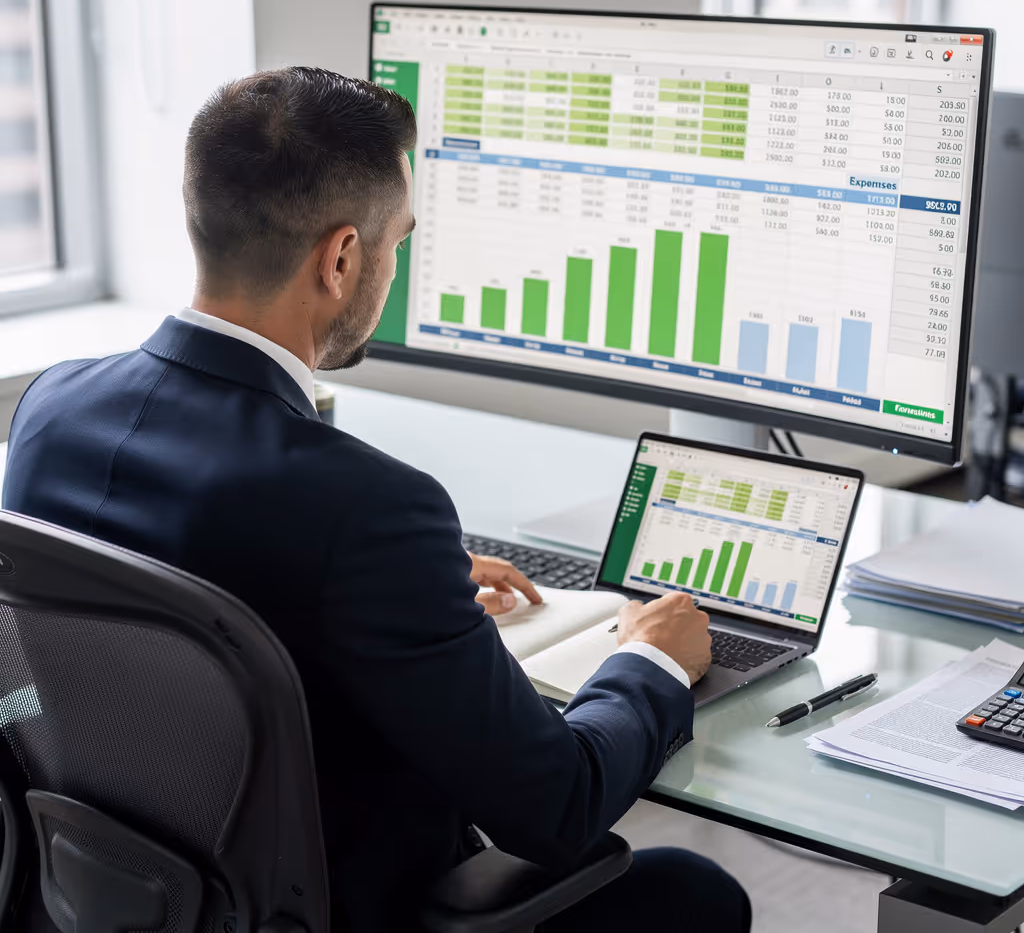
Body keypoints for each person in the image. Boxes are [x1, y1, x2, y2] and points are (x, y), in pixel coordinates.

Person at [1, 67, 751, 933]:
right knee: (696, 893)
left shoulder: (52, 409)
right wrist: (650, 658)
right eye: (399, 242)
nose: (394, 269)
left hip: (125, 897)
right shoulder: (368, 509)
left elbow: (171, 576)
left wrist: (405, 593)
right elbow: (558, 807)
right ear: (342, 256)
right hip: (353, 908)